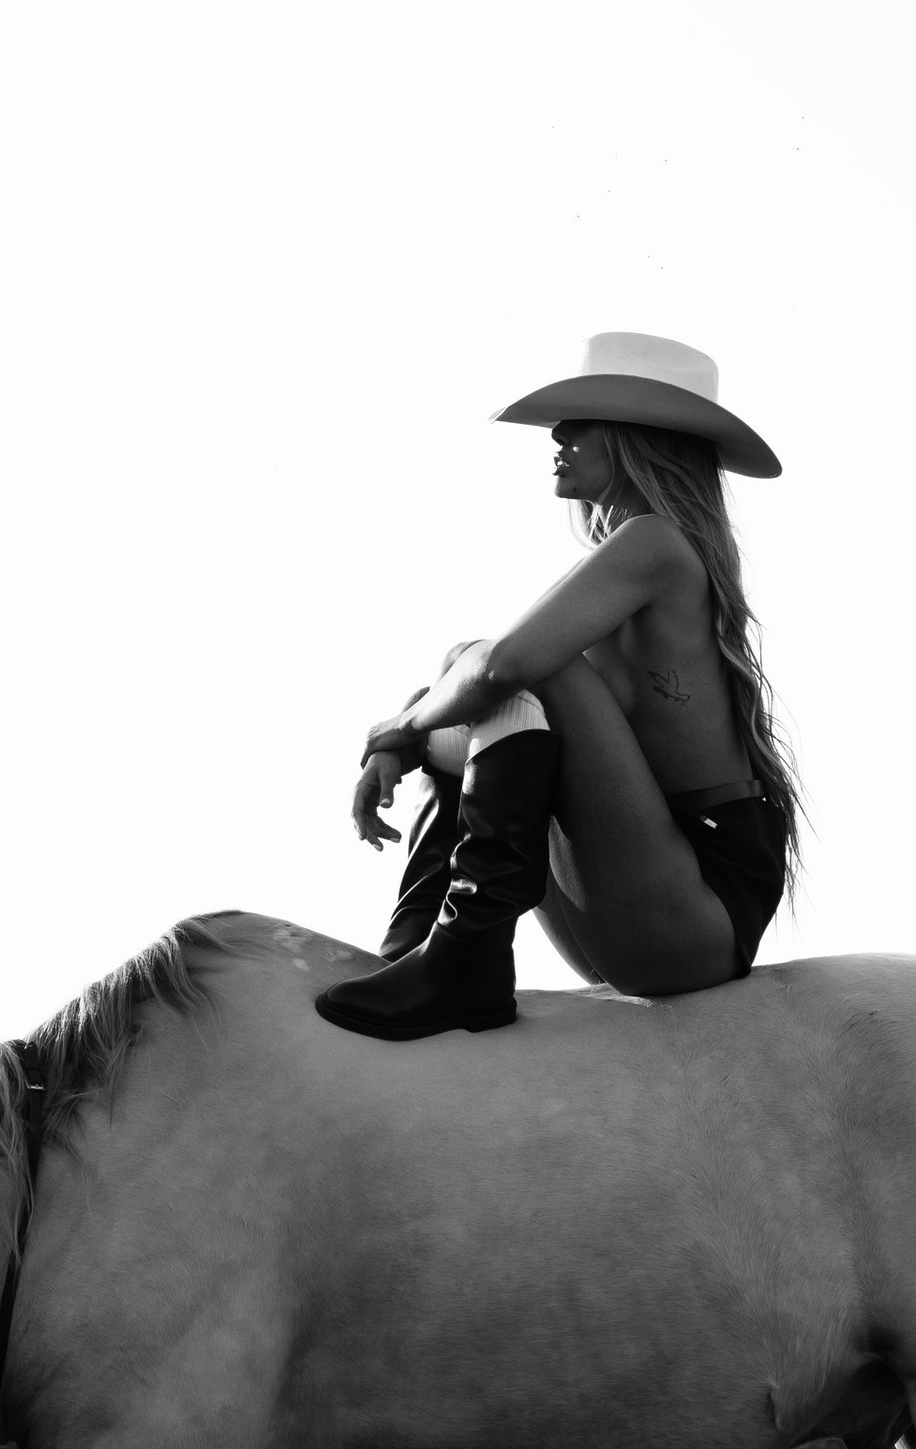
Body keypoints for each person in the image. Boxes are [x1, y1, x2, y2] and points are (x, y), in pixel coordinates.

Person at [315, 333, 800, 1042]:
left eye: (586, 421)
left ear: (640, 440)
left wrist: (405, 730)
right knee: (478, 682)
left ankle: (463, 959)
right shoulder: (627, 551)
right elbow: (489, 687)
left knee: (502, 669)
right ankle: (420, 944)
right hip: (629, 898)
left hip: (696, 905)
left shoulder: (656, 543)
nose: (561, 434)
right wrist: (414, 728)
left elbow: (503, 668)